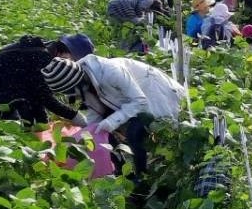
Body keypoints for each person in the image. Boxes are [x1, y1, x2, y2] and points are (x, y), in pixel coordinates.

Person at [41, 55, 187, 179]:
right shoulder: (81, 80)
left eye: (72, 90)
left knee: (135, 133)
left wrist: (111, 122)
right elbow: (95, 110)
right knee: (106, 136)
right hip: (130, 101)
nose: (74, 93)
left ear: (78, 81)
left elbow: (139, 101)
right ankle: (122, 172)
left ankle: (142, 176)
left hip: (153, 94)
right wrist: (89, 132)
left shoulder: (110, 71)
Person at [0, 35, 84, 125]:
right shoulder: (44, 59)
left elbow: (35, 93)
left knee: (23, 111)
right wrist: (74, 116)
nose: (71, 63)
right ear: (65, 52)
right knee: (1, 122)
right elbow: (46, 99)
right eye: (73, 59)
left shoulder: (46, 48)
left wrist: (43, 123)